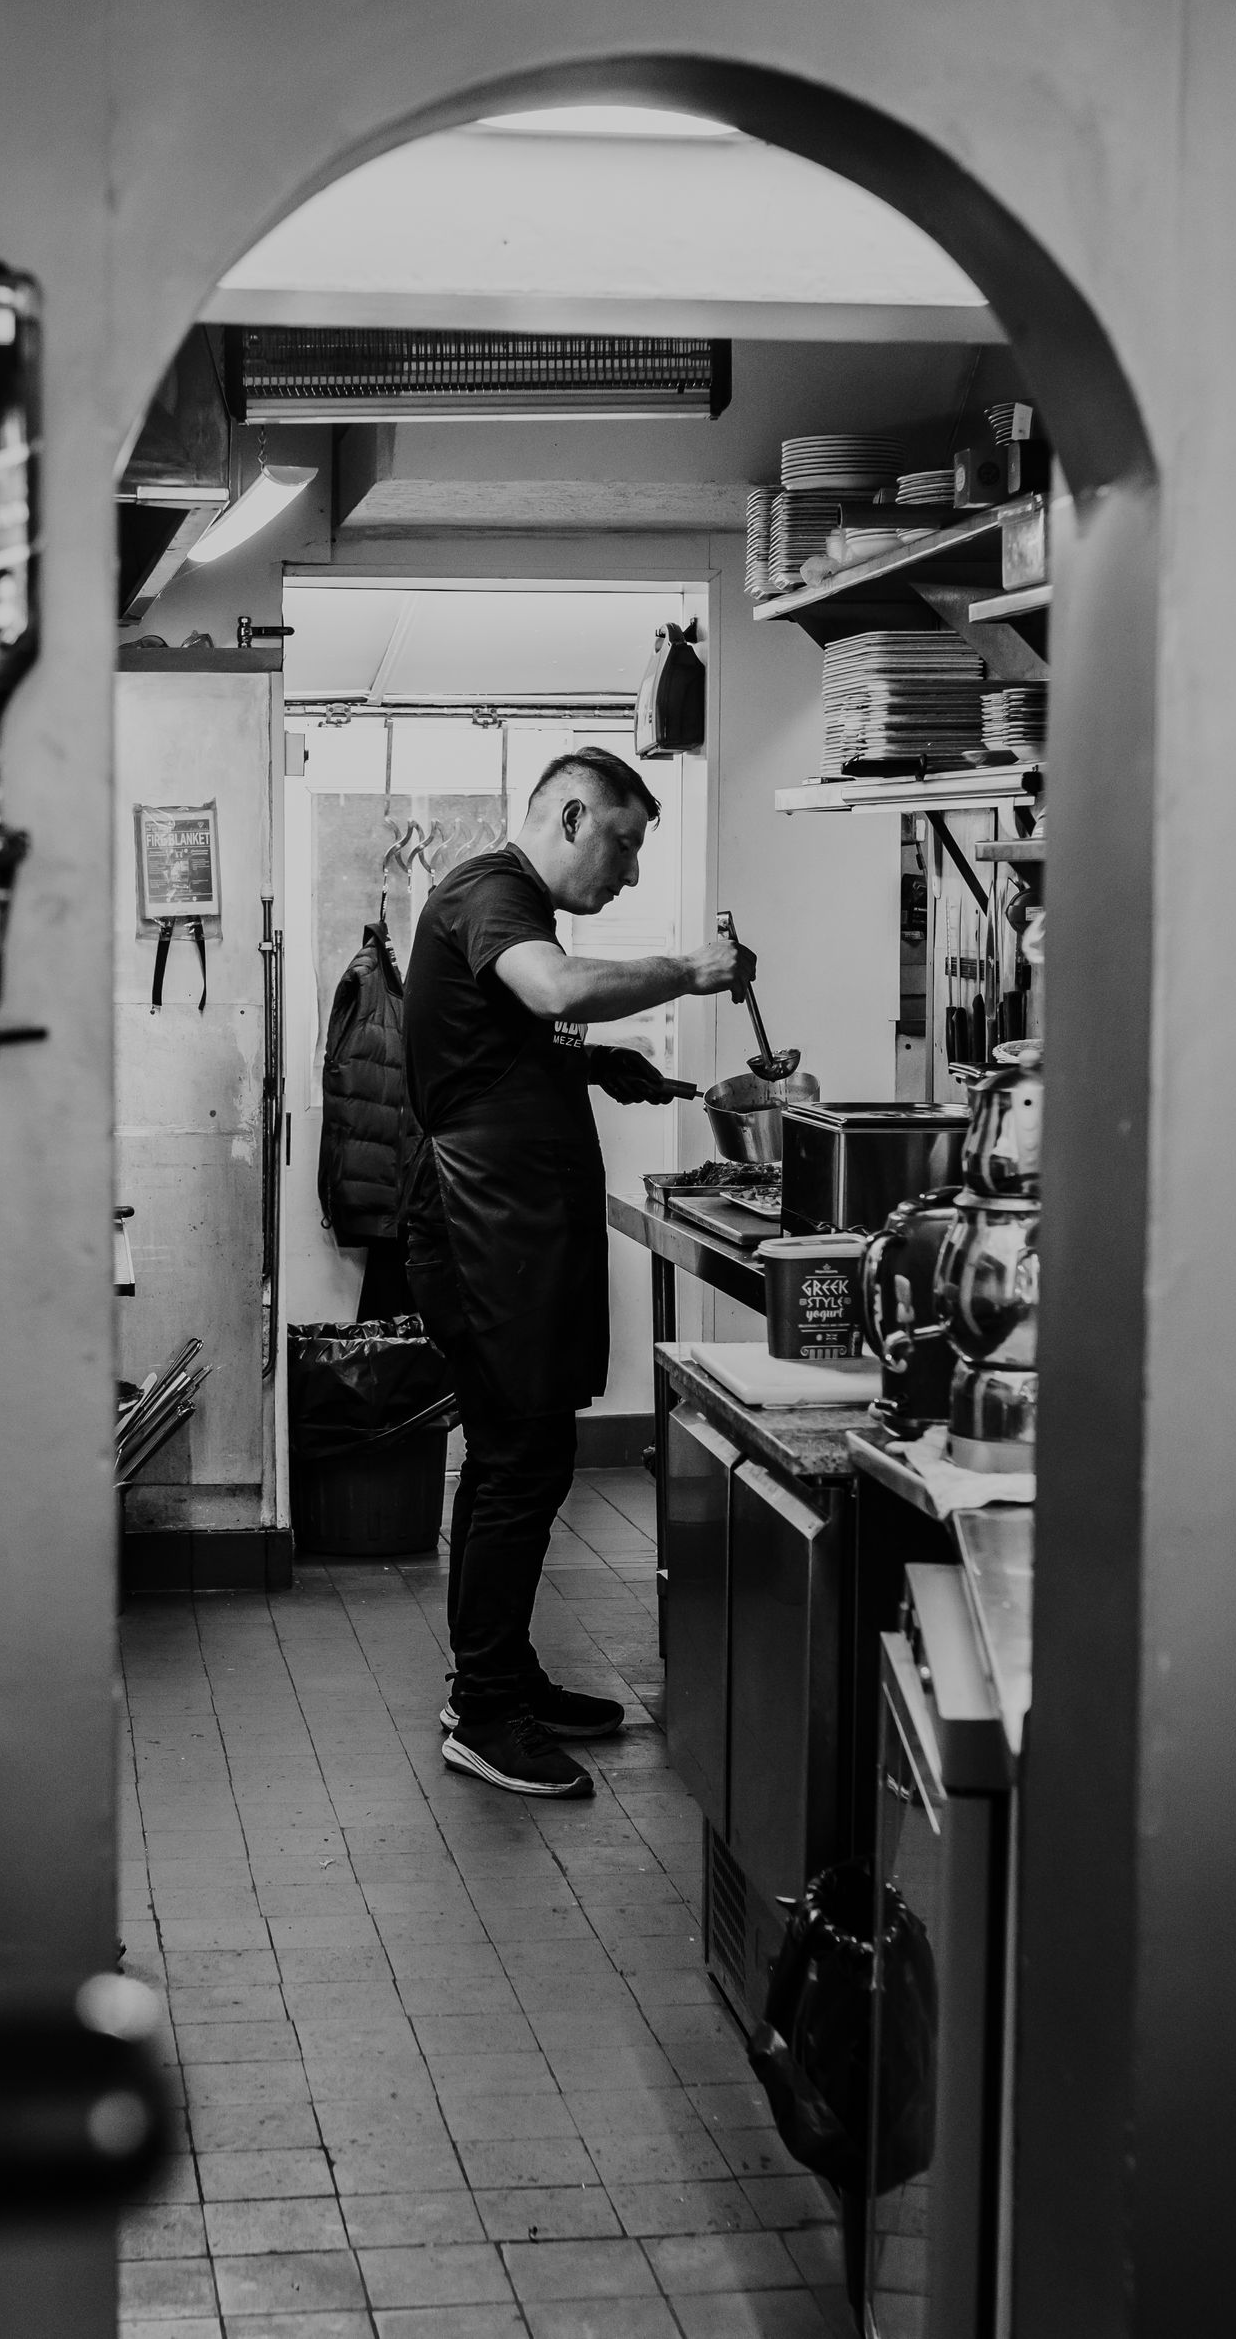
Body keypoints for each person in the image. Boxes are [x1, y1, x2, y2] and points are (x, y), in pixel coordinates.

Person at [401, 746, 747, 1799]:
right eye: (624, 842)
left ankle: (503, 1675)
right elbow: (550, 988)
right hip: (477, 1229)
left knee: (529, 1455)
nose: (631, 871)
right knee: (518, 1459)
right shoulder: (490, 893)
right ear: (565, 816)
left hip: (513, 1228)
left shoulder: (507, 906)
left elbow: (499, 1035)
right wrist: (685, 972)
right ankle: (485, 1709)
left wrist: (597, 1064)